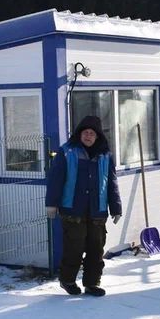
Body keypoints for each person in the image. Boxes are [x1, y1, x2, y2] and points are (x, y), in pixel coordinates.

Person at [45, 115, 122, 297]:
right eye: (85, 133)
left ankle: (92, 283)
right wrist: (51, 204)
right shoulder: (67, 152)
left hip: (98, 209)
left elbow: (111, 182)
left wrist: (116, 207)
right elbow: (56, 180)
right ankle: (68, 280)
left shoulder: (105, 155)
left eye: (92, 133)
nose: (88, 136)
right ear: (79, 134)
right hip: (72, 209)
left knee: (96, 249)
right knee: (75, 247)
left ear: (98, 137)